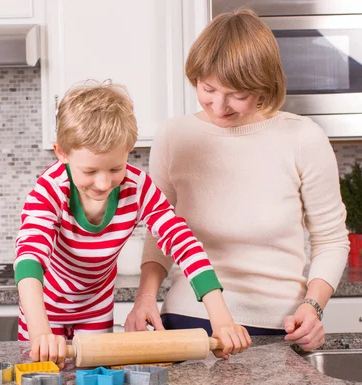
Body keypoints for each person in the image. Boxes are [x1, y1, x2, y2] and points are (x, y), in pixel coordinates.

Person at [124, 9, 350, 352]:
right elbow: (160, 233)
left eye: (237, 94)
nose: (218, 105)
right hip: (189, 322)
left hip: (280, 328)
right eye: (208, 88)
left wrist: (313, 307)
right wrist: (145, 297)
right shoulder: (174, 136)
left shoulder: (304, 138)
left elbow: (331, 240)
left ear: (264, 87)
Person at [14, 81, 251, 369]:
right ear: (61, 153)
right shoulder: (48, 190)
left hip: (95, 308)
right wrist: (40, 332)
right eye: (89, 171)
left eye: (115, 168)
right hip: (42, 308)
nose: (103, 183)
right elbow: (29, 259)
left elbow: (183, 243)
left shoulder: (138, 187)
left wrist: (221, 318)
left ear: (128, 149)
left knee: (94, 383)